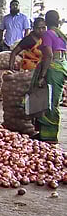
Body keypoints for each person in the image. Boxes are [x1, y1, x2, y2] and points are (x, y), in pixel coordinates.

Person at [34, 10, 67, 143]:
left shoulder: (48, 34)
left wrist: (42, 75)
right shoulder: (60, 34)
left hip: (53, 69)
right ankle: (44, 132)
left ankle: (49, 136)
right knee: (52, 100)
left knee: (50, 102)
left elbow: (49, 55)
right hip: (62, 67)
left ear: (46, 22)